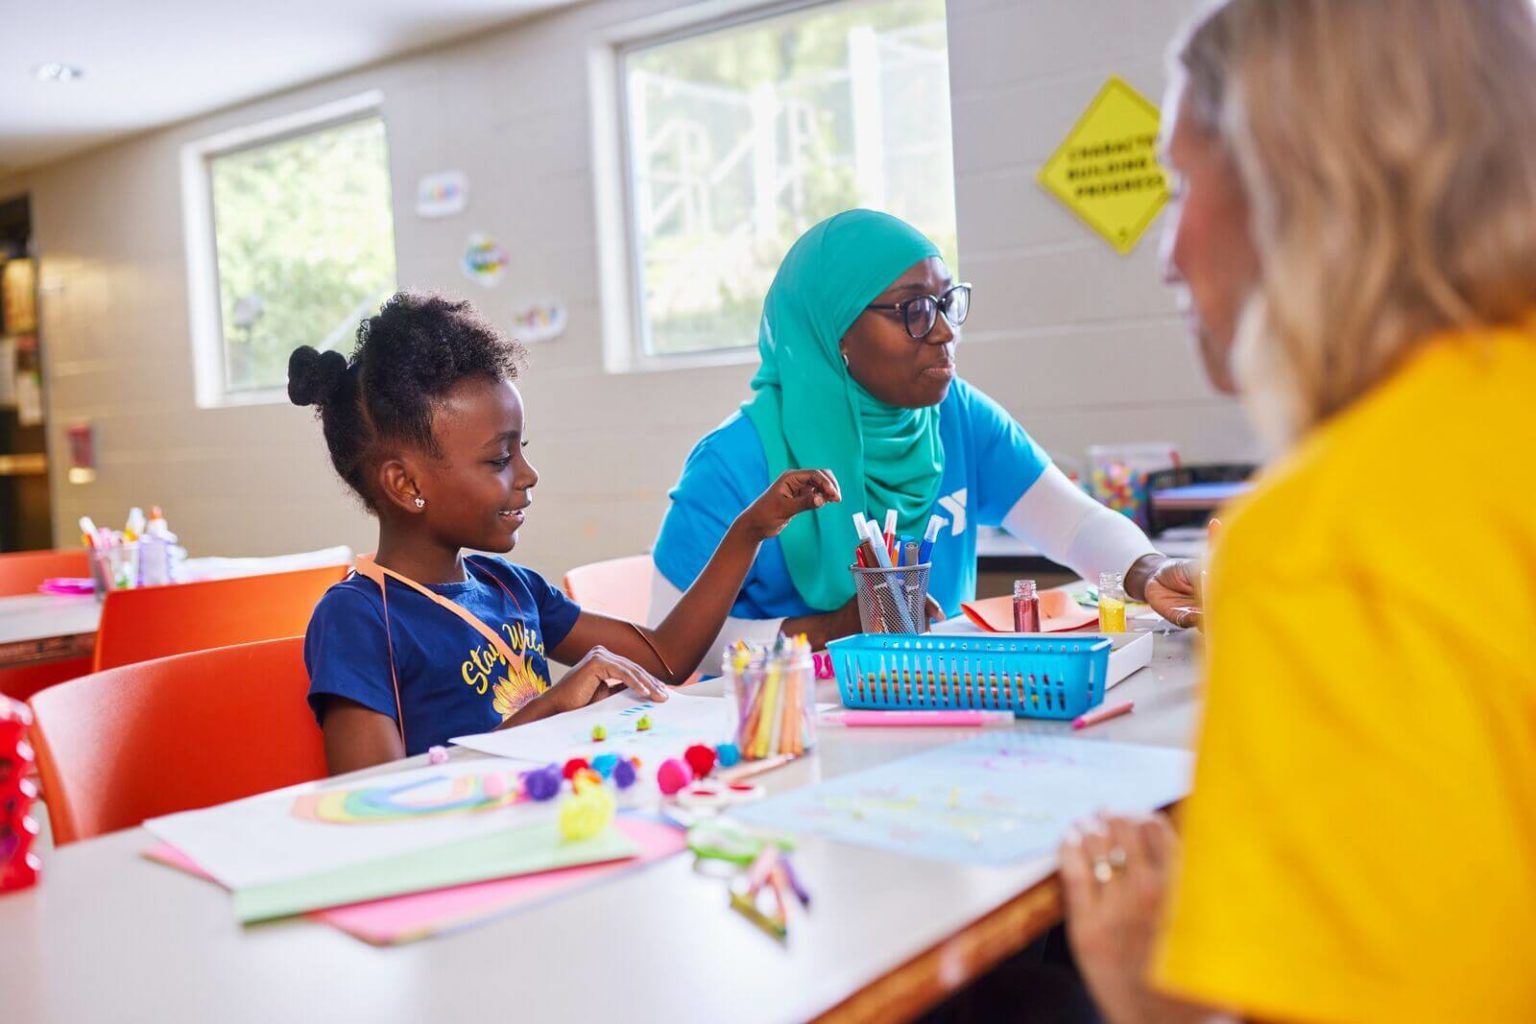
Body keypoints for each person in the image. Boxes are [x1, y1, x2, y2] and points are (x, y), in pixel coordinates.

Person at [1058, 1, 1536, 1020]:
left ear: (1302, 183)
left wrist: (1151, 999)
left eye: (1185, 184)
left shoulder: (1331, 540)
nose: (1168, 252)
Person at [289, 293, 837, 774]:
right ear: (406, 484)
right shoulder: (360, 617)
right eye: (500, 458)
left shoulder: (510, 588)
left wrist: (749, 530)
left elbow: (666, 658)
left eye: (521, 451)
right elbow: (371, 796)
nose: (527, 476)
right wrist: (549, 708)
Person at [651, 210, 1196, 666]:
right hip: (774, 735)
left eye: (945, 302)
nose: (944, 331)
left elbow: (1074, 525)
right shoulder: (730, 466)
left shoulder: (955, 414)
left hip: (929, 708)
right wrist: (825, 629)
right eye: (912, 309)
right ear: (834, 332)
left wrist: (1148, 573)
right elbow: (664, 648)